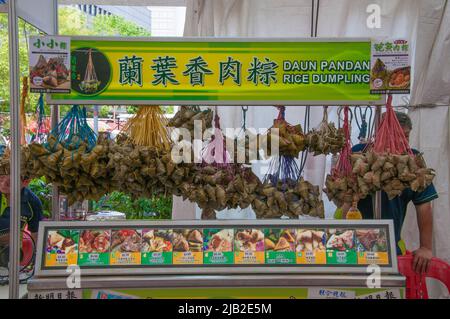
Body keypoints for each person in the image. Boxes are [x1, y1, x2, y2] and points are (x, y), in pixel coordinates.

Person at [340, 111, 437, 274]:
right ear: (380, 133)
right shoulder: (359, 153)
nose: (402, 141)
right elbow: (343, 198)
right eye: (396, 135)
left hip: (390, 246)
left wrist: (426, 247)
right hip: (352, 244)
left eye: (406, 136)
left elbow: (424, 206)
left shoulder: (412, 159)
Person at [0, 174, 44, 246]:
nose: (3, 184)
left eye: (9, 183)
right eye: (1, 177)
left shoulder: (33, 202)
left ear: (26, 182)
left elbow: (36, 235)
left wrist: (36, 255)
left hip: (12, 252)